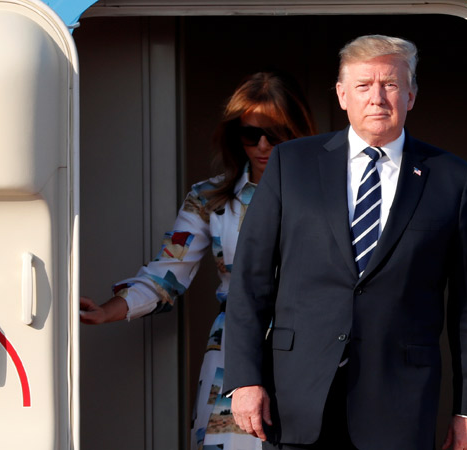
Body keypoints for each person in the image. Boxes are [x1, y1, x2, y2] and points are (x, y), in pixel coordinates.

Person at [223, 35, 467, 450]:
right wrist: (245, 378)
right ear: (342, 95)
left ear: (412, 95)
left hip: (400, 403)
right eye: (364, 86)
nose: (378, 98)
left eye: (391, 85)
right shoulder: (290, 164)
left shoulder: (453, 179)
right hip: (297, 399)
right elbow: (250, 280)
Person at [80, 71, 316, 450]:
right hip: (234, 353)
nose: (263, 144)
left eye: (276, 133)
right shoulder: (209, 198)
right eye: (250, 133)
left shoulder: (332, 196)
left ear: (298, 132)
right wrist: (107, 311)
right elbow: (166, 274)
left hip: (312, 347)